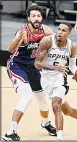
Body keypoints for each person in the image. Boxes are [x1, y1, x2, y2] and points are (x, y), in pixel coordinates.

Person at [34, 23, 77, 141]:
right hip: (46, 80)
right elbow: (37, 63)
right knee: (67, 111)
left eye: (63, 30)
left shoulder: (72, 46)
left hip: (60, 79)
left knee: (55, 105)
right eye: (58, 29)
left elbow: (73, 66)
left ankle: (60, 138)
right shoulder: (47, 41)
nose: (60, 32)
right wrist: (56, 68)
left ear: (69, 33)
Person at [2, 5, 57, 141]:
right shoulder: (23, 32)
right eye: (33, 16)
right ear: (28, 18)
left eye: (38, 16)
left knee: (43, 100)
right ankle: (10, 132)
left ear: (41, 18)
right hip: (17, 66)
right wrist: (18, 39)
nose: (36, 18)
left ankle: (45, 124)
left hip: (33, 67)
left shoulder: (47, 31)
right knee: (27, 96)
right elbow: (10, 49)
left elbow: (55, 46)